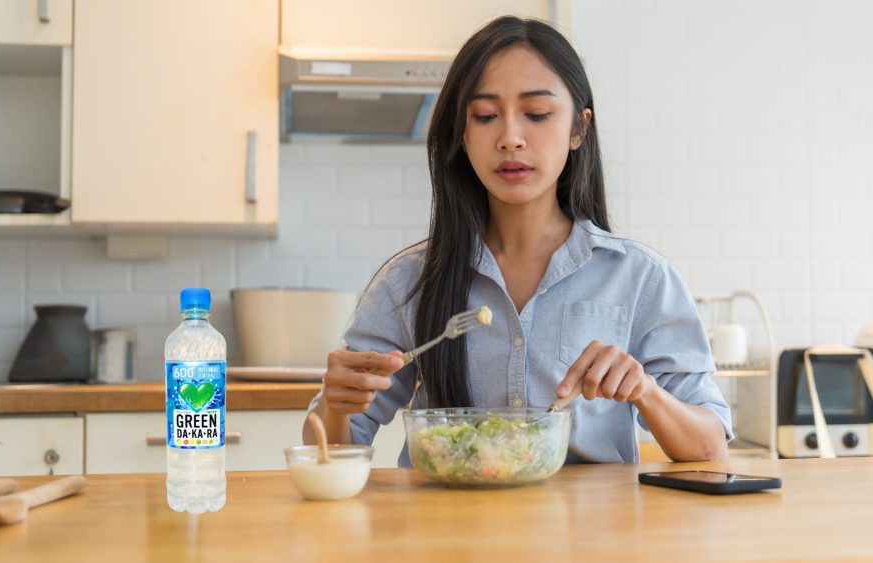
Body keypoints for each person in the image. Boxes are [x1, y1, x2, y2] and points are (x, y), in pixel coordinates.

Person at [304, 15, 731, 465]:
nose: (510, 138)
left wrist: (645, 391)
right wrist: (336, 403)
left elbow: (711, 446)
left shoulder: (641, 278)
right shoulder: (409, 281)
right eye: (485, 116)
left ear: (578, 129)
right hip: (444, 512)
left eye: (537, 114)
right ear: (462, 134)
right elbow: (327, 453)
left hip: (589, 515)